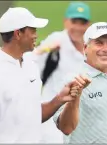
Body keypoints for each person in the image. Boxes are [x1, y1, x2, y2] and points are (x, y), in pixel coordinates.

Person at [0, 7, 90, 144]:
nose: (36, 35)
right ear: (18, 34)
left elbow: (33, 114)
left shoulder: (30, 64)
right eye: (33, 30)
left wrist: (59, 99)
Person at [31, 2, 91, 143]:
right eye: (73, 22)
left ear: (88, 25)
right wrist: (45, 49)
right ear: (65, 22)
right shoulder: (56, 40)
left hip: (77, 114)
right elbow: (30, 62)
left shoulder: (91, 47)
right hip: (50, 111)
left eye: (82, 23)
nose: (77, 27)